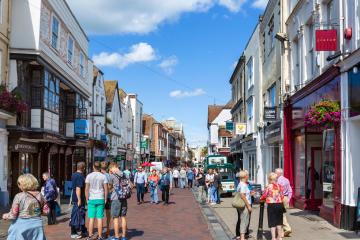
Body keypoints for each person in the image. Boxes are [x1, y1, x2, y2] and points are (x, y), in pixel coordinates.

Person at [2, 174, 49, 240]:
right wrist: (35, 212)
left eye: (19, 183)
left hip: (21, 226)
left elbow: (13, 215)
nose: (18, 185)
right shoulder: (40, 195)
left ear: (24, 184)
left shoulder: (19, 196)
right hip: (37, 226)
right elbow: (46, 211)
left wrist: (5, 216)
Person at [85, 161, 108, 240]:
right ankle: (100, 236)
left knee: (91, 218)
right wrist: (105, 198)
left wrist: (87, 199)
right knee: (100, 218)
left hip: (92, 198)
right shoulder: (103, 176)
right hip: (100, 198)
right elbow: (106, 189)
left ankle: (90, 235)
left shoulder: (89, 176)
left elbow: (86, 189)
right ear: (100, 168)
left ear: (93, 167)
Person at [108, 162, 130, 240]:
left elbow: (109, 187)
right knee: (123, 217)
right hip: (124, 197)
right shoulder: (125, 174)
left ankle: (117, 236)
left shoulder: (112, 176)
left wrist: (110, 189)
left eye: (110, 169)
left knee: (115, 218)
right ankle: (124, 236)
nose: (110, 170)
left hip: (115, 198)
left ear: (113, 167)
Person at [260, 172, 285, 240]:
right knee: (279, 222)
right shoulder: (280, 186)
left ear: (270, 179)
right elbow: (282, 196)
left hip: (271, 205)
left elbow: (264, 195)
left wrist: (261, 198)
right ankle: (279, 237)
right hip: (279, 205)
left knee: (272, 222)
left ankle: (273, 238)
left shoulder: (268, 186)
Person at [70, 162, 88, 239]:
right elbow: (78, 188)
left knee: (81, 214)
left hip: (75, 198)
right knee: (76, 216)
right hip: (78, 199)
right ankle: (73, 232)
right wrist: (79, 199)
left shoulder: (74, 174)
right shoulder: (80, 176)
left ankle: (83, 230)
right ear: (83, 168)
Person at [235, 171, 252, 240]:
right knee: (244, 221)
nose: (248, 176)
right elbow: (242, 195)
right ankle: (242, 237)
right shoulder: (243, 185)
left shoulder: (240, 184)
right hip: (244, 205)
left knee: (243, 220)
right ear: (245, 176)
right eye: (247, 175)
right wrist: (248, 206)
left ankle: (242, 236)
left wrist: (250, 194)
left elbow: (243, 194)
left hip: (242, 204)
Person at [275, 168, 292, 237]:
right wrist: (288, 198)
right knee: (282, 214)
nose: (275, 174)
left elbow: (278, 192)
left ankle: (287, 228)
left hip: (280, 198)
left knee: (280, 215)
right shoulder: (286, 180)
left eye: (275, 173)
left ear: (279, 174)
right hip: (285, 198)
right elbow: (290, 190)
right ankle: (281, 232)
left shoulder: (277, 181)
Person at [100, 161, 111, 238]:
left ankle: (99, 233)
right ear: (107, 168)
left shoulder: (98, 175)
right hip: (108, 197)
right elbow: (110, 186)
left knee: (99, 216)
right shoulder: (109, 176)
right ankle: (108, 231)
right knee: (108, 216)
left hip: (99, 197)